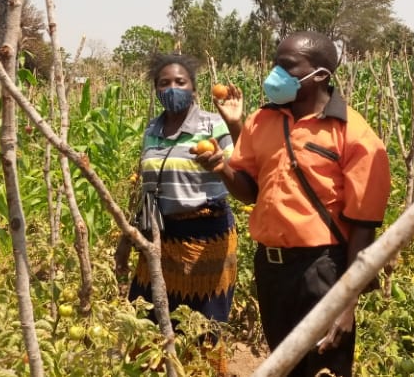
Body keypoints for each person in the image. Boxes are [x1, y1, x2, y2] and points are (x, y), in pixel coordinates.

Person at [197, 31, 390, 377]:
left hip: (321, 270)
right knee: (282, 367)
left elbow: (363, 227)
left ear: (319, 76)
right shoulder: (261, 121)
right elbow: (249, 190)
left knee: (324, 368)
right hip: (271, 269)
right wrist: (222, 168)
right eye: (276, 63)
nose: (276, 73)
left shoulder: (354, 134)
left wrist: (347, 304)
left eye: (287, 66)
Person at [114, 54, 243, 373]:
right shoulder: (152, 130)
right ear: (156, 90)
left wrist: (232, 135)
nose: (172, 88)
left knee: (203, 329)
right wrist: (127, 239)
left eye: (180, 82)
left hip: (206, 240)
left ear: (194, 88)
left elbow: (244, 168)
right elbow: (144, 189)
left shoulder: (212, 124)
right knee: (145, 323)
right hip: (158, 239)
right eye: (164, 83)